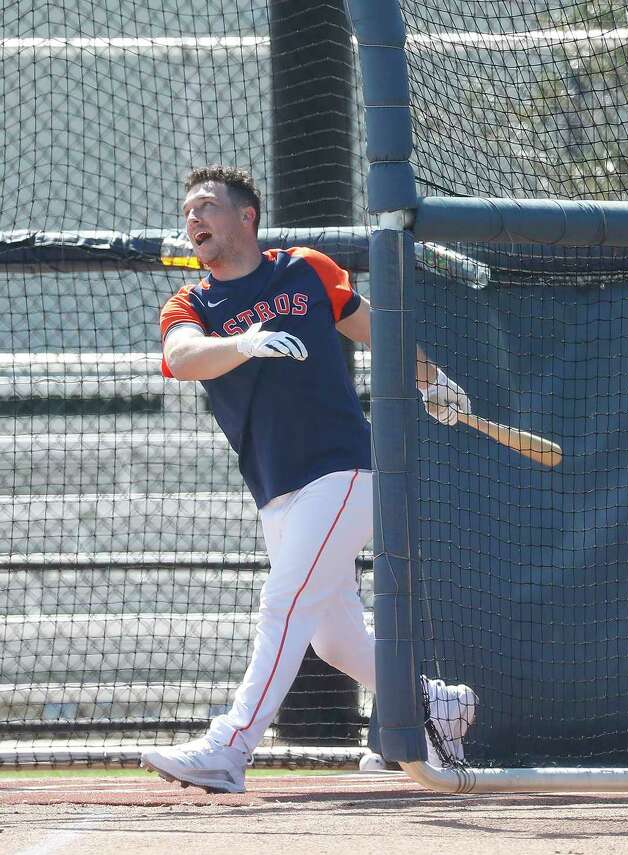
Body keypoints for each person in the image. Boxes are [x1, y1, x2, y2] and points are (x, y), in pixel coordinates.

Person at [140, 165, 478, 793]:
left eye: (207, 207)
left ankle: (230, 746)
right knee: (334, 639)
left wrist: (431, 381)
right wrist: (247, 342)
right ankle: (443, 705)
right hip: (275, 486)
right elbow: (182, 358)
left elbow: (379, 330)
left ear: (246, 217)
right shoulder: (192, 303)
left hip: (342, 468)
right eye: (188, 211)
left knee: (284, 603)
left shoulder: (305, 269)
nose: (194, 220)